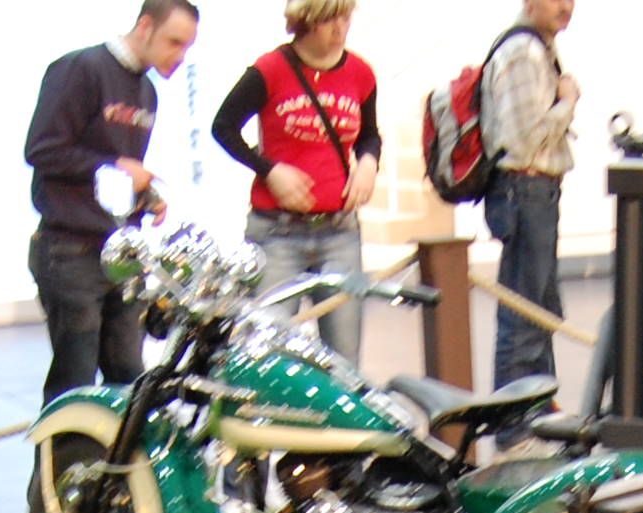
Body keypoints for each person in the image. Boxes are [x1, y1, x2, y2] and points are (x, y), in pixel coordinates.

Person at [22, 0, 199, 407]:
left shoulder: (146, 92)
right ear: (145, 26)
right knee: (75, 383)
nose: (179, 56)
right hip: (70, 250)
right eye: (174, 42)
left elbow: (111, 175)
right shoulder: (80, 69)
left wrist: (144, 197)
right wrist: (116, 166)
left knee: (128, 378)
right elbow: (42, 150)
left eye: (187, 47)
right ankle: (64, 451)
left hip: (120, 253)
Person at [211, 0, 381, 362]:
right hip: (278, 233)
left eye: (345, 17)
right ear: (305, 21)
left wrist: (368, 163)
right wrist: (269, 169)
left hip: (340, 232)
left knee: (344, 358)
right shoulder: (270, 70)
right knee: (261, 351)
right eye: (328, 20)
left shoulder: (361, 73)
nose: (340, 28)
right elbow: (223, 127)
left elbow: (369, 135)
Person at [479, 0, 575, 391]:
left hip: (536, 192)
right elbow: (524, 140)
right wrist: (567, 102)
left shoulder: (539, 47)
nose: (566, 6)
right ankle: (513, 419)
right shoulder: (523, 52)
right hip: (524, 191)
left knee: (539, 315)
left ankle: (537, 408)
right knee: (523, 320)